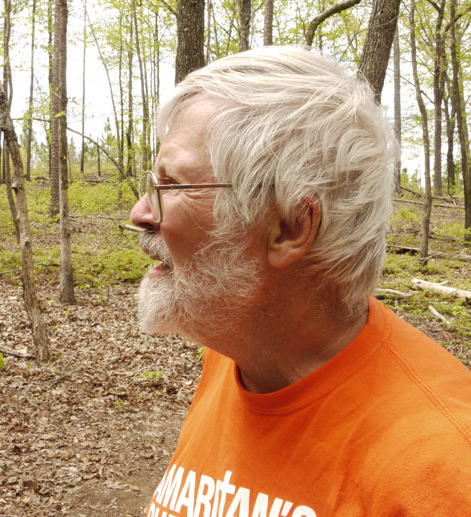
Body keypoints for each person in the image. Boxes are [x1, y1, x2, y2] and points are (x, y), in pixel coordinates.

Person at [128, 46, 471, 517]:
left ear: (289, 227)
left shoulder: (443, 469)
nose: (141, 213)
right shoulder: (236, 354)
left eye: (172, 184)